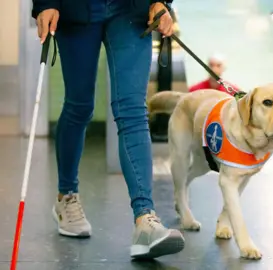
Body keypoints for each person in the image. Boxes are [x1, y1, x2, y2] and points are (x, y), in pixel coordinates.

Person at [32, 0, 185, 259]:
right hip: (77, 10)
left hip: (131, 9)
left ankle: (145, 219)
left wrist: (161, 2)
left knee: (133, 110)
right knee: (79, 106)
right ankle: (66, 196)